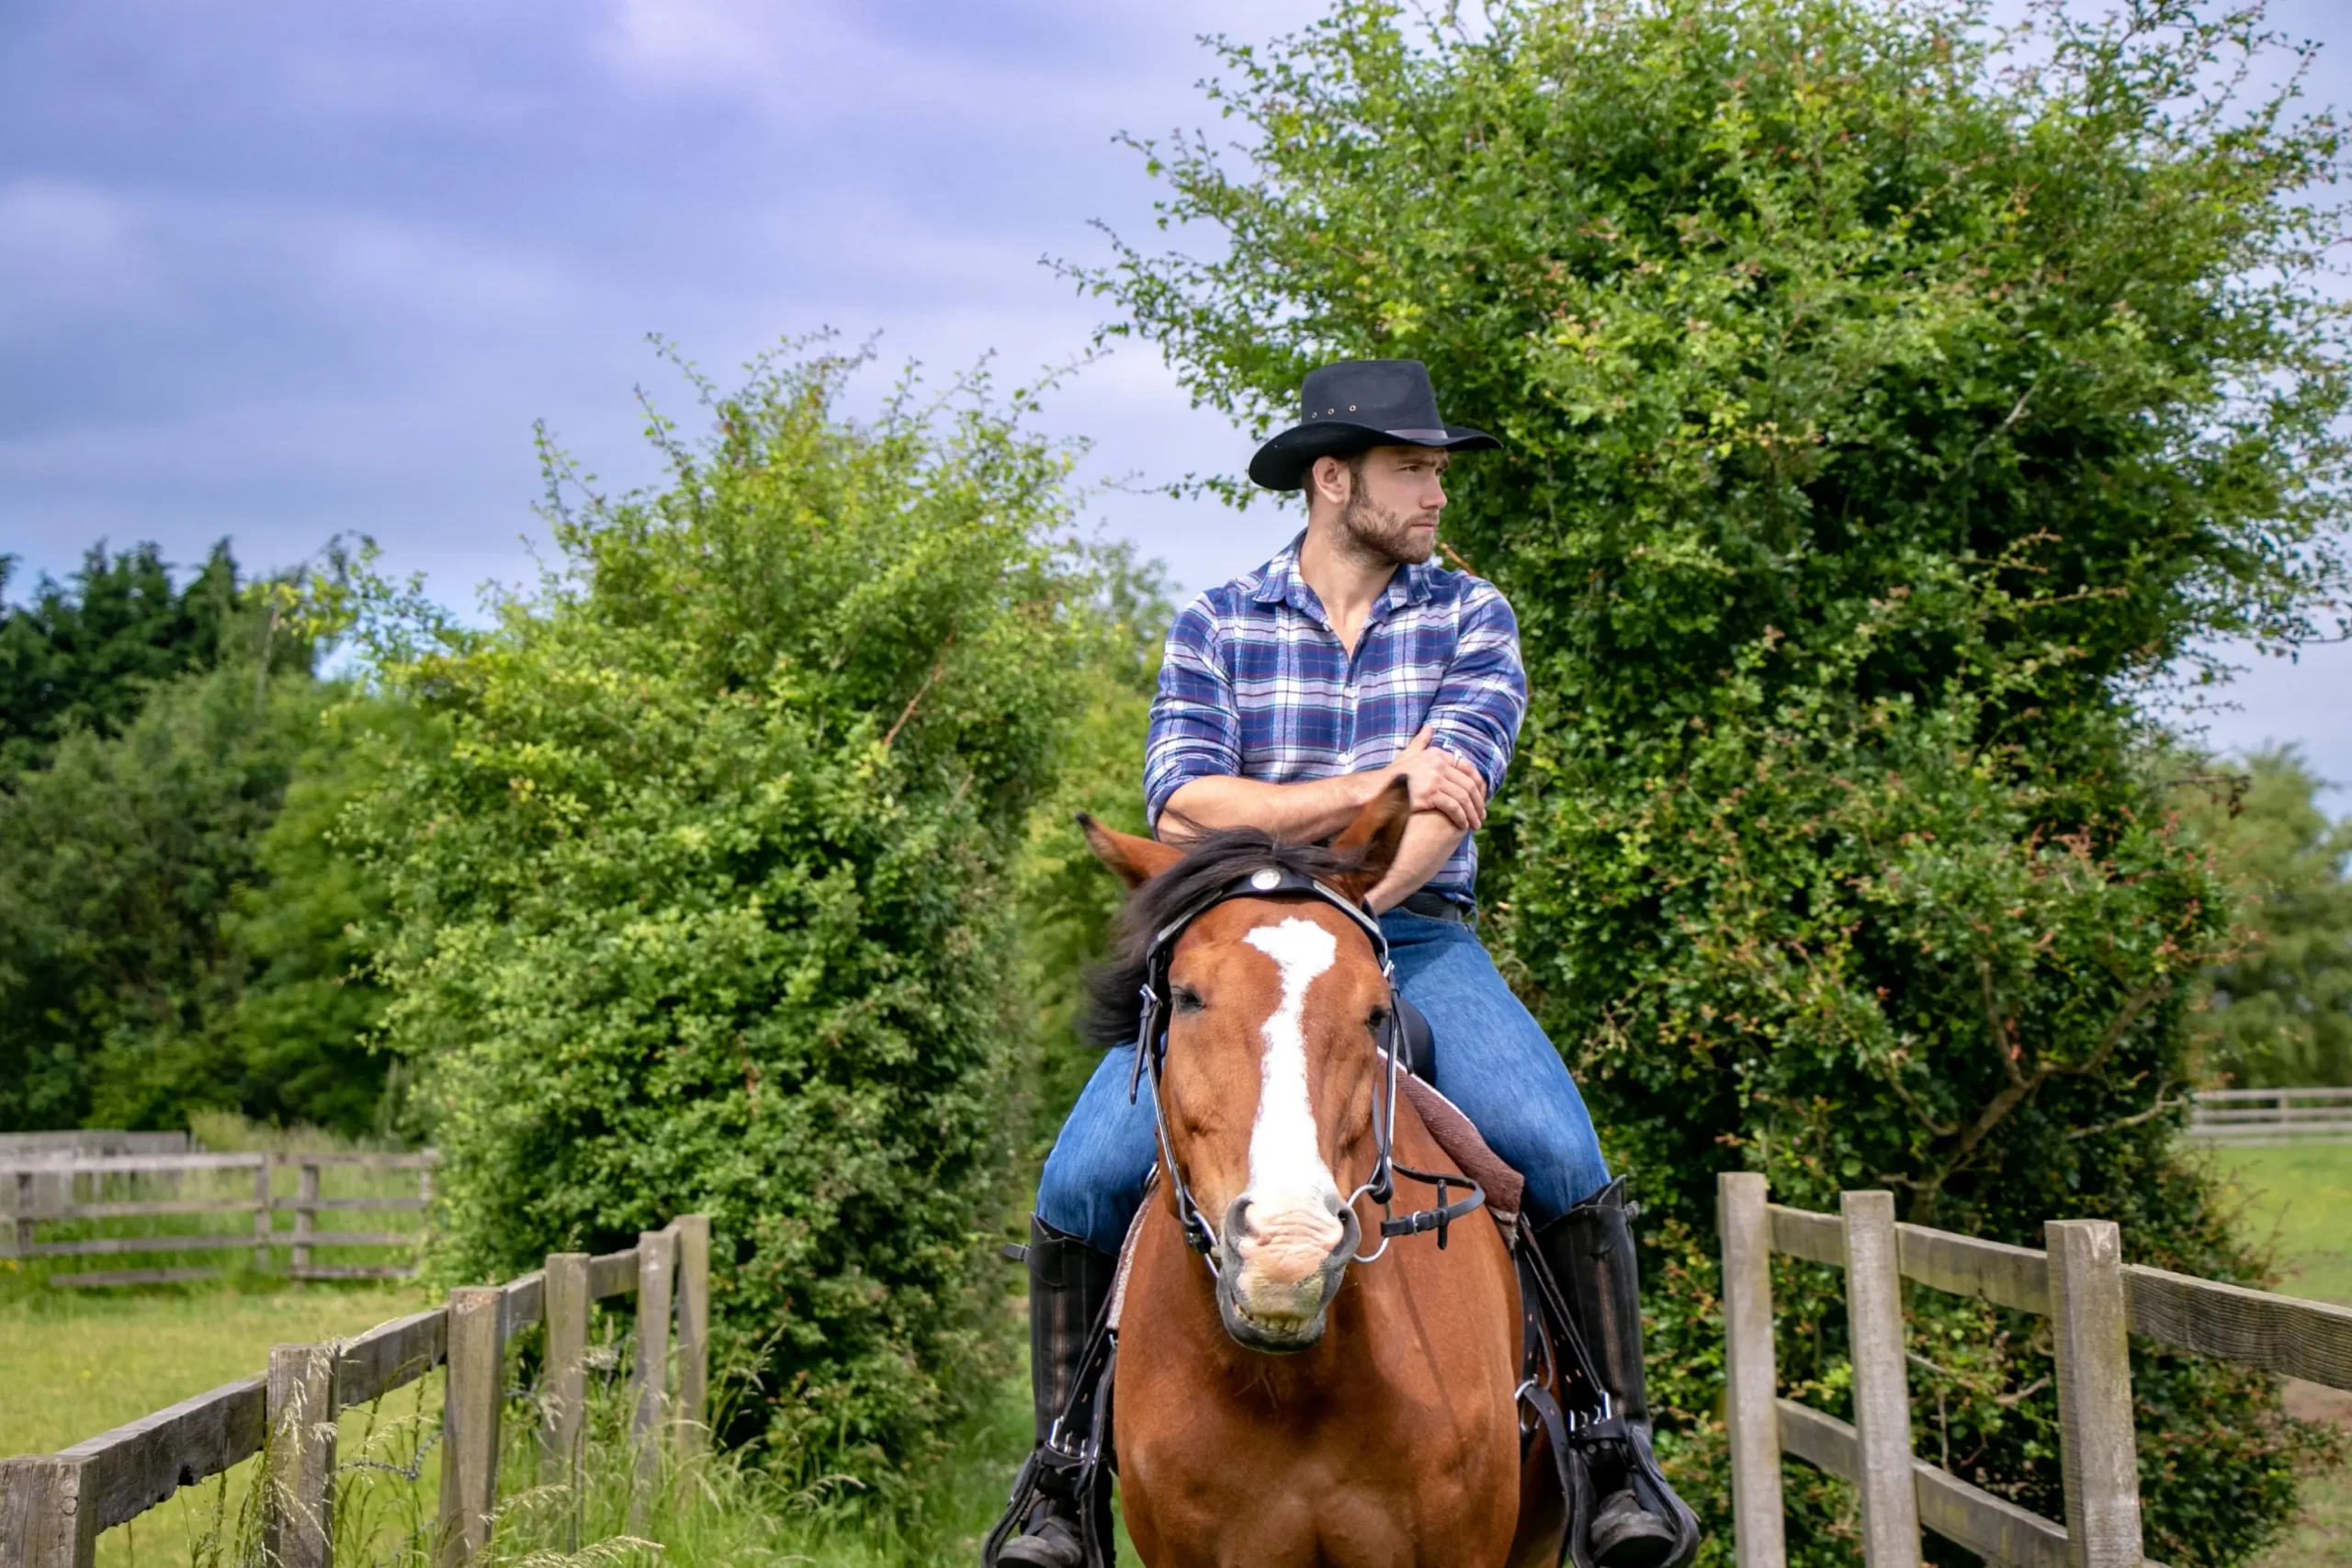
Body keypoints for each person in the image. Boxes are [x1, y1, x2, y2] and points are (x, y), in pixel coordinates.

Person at [997, 360, 1688, 1568]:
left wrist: (1342, 891)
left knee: (1559, 1147)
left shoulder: (1473, 618)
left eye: (1439, 470)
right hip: (1233, 946)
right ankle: (1063, 1477)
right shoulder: (1217, 621)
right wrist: (1371, 788)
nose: (1436, 492)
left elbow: (1444, 811)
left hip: (1409, 931)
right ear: (1333, 479)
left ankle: (1612, 1450)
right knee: (1080, 1178)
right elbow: (1184, 801)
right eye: (1411, 469)